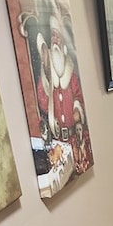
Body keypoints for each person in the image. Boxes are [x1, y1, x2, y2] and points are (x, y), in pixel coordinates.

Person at [36, 12, 84, 145]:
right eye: (53, 35)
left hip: (73, 136)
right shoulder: (46, 72)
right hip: (57, 139)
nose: (55, 39)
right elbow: (42, 98)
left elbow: (79, 96)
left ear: (62, 40)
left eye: (58, 36)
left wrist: (77, 108)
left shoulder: (71, 73)